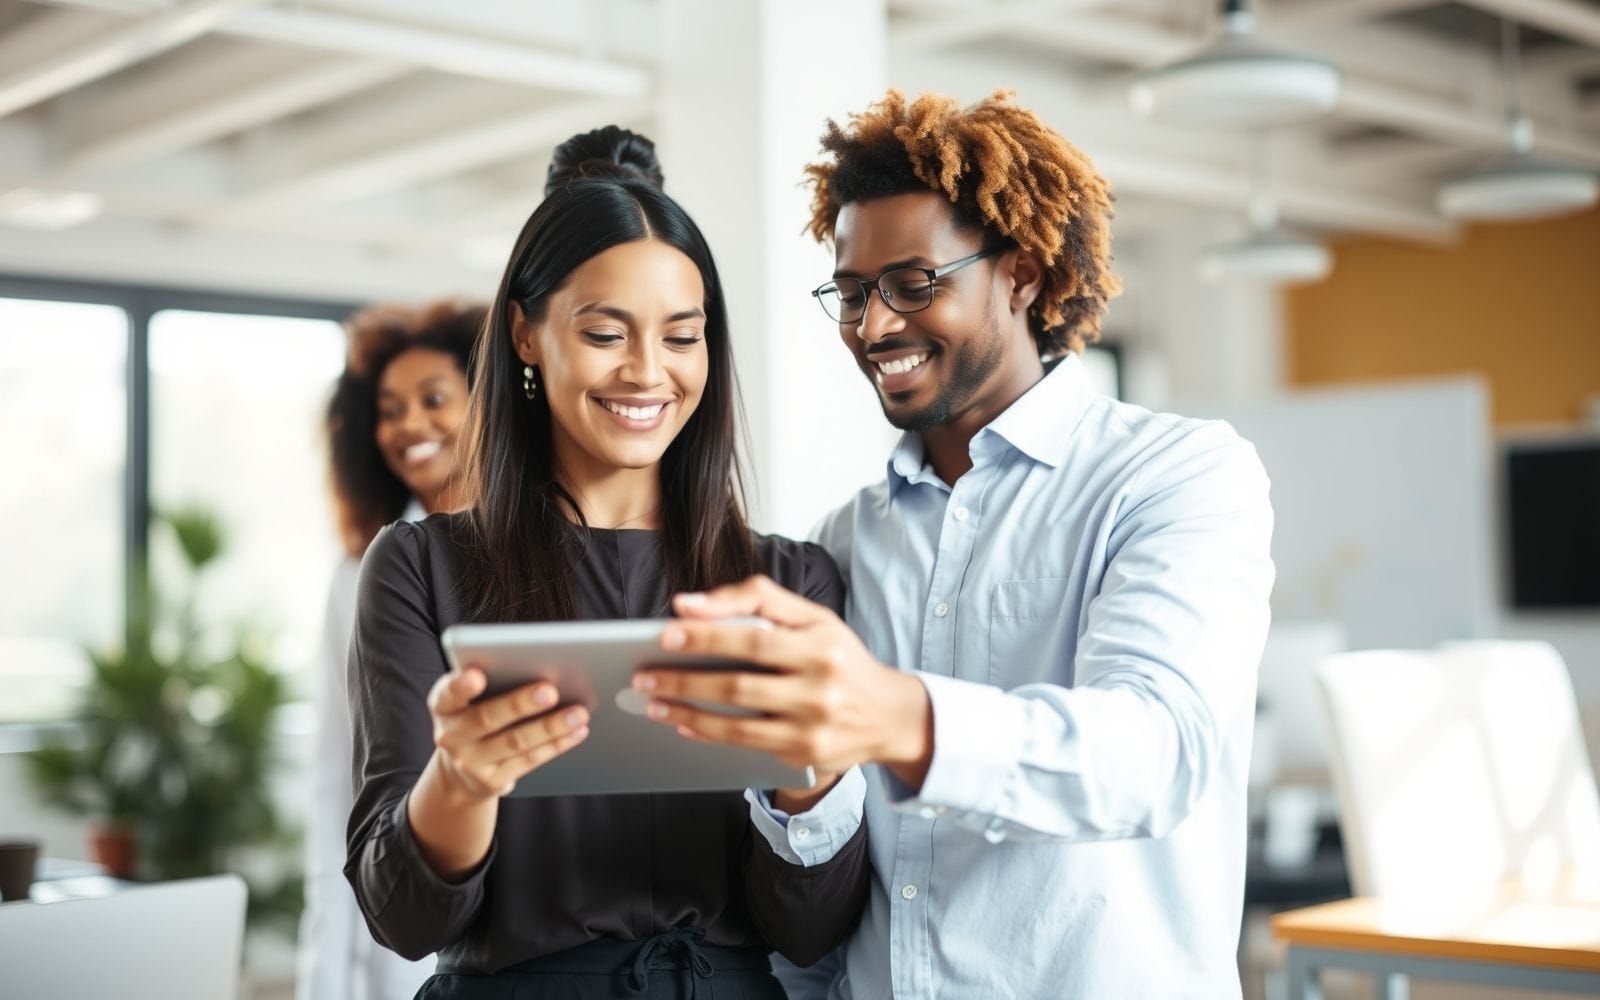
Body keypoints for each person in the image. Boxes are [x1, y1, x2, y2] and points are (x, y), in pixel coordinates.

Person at [631, 90, 1277, 998]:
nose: (874, 326)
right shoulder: (845, 540)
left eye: (912, 284)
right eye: (852, 294)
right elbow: (835, 880)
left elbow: (1158, 753)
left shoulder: (1176, 475)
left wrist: (899, 715)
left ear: (1022, 274)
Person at [343, 126, 870, 1000]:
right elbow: (405, 919)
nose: (646, 372)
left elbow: (813, 926)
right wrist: (462, 780)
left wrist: (808, 778)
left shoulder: (790, 586)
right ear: (525, 334)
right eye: (604, 332)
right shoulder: (421, 568)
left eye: (681, 336)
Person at [299, 299, 484, 1000]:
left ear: (486, 401)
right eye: (389, 409)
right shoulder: (358, 576)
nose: (408, 425)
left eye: (433, 399)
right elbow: (335, 781)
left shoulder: (543, 544)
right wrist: (324, 975)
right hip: (404, 906)